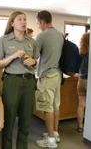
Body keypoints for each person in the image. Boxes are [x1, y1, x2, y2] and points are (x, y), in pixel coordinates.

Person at [0, 11, 39, 149]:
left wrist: (33, 62)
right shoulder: (4, 40)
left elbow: (36, 62)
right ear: (12, 23)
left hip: (29, 82)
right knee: (9, 119)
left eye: (25, 19)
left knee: (26, 120)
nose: (23, 22)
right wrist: (12, 57)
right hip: (12, 81)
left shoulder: (32, 42)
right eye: (19, 19)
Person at [35, 10, 64, 148]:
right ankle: (55, 133)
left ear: (41, 21)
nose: (38, 26)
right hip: (57, 74)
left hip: (47, 76)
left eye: (38, 23)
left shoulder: (42, 35)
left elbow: (33, 56)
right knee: (55, 105)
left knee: (47, 108)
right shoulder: (60, 34)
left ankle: (51, 140)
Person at [77, 32, 89, 133]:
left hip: (81, 79)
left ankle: (79, 126)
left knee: (81, 104)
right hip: (90, 80)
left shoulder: (81, 51)